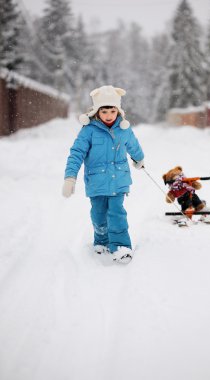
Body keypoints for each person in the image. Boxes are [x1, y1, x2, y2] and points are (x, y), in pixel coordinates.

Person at [62, 85, 144, 263]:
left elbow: (133, 145)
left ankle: (121, 246)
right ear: (97, 111)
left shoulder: (124, 129)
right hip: (97, 183)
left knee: (116, 213)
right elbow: (76, 153)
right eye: (104, 111)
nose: (108, 115)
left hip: (118, 181)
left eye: (112, 111)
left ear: (118, 111)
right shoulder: (88, 131)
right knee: (98, 214)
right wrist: (70, 177)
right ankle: (101, 241)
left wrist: (139, 159)